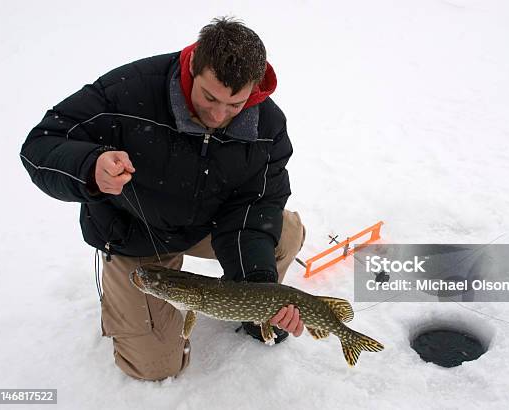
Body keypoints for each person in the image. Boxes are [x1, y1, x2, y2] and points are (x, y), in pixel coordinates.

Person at [20, 17, 306, 381]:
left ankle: (252, 316)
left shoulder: (267, 126)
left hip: (211, 224)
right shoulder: (127, 91)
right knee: (155, 368)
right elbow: (41, 144)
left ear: (254, 89)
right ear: (192, 65)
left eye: (235, 105)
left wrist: (259, 289)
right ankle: (125, 302)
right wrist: (90, 168)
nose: (219, 115)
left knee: (284, 232)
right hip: (138, 234)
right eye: (209, 97)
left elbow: (256, 205)